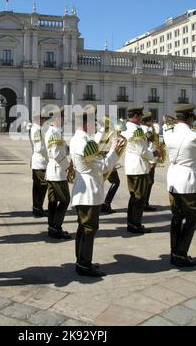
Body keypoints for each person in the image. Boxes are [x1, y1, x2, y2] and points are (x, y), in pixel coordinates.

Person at [70, 113, 122, 277]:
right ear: (86, 124)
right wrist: (114, 151)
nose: (97, 127)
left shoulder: (77, 139)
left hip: (84, 186)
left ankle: (82, 260)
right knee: (89, 228)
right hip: (89, 190)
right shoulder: (86, 142)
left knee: (83, 227)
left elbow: (95, 161)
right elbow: (104, 166)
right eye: (94, 123)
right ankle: (84, 265)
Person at [164, 104, 196, 267]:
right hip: (189, 181)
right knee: (192, 217)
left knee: (177, 216)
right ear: (191, 117)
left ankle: (174, 251)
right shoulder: (195, 135)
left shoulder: (167, 132)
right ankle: (181, 254)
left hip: (172, 179)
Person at [121, 106, 156, 234]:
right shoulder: (137, 131)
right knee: (139, 198)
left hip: (131, 166)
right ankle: (135, 224)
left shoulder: (125, 129)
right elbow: (142, 151)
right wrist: (154, 155)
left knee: (133, 197)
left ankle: (131, 223)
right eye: (140, 116)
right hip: (139, 167)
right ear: (135, 116)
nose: (142, 118)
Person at [45, 108, 72, 240]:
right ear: (56, 119)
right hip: (57, 172)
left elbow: (61, 150)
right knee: (65, 200)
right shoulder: (54, 133)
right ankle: (56, 227)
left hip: (53, 171)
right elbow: (56, 154)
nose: (64, 121)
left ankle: (52, 227)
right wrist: (68, 167)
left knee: (53, 200)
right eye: (62, 118)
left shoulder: (54, 132)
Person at [95, 117, 120, 215]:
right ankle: (106, 204)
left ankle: (101, 204)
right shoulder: (107, 134)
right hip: (105, 161)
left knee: (100, 183)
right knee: (115, 182)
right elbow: (109, 149)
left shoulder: (98, 134)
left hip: (101, 161)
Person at [29, 115, 49, 218]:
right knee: (42, 186)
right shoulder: (37, 130)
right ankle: (38, 209)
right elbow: (40, 147)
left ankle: (37, 208)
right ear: (40, 119)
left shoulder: (36, 128)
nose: (45, 121)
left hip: (37, 161)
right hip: (41, 161)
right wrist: (49, 152)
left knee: (37, 186)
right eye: (44, 119)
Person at [141, 113, 158, 212]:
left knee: (146, 183)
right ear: (147, 122)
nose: (152, 123)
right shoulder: (148, 131)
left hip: (144, 160)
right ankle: (145, 203)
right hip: (149, 160)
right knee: (149, 182)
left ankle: (144, 203)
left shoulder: (139, 130)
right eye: (151, 121)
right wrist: (153, 161)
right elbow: (150, 147)